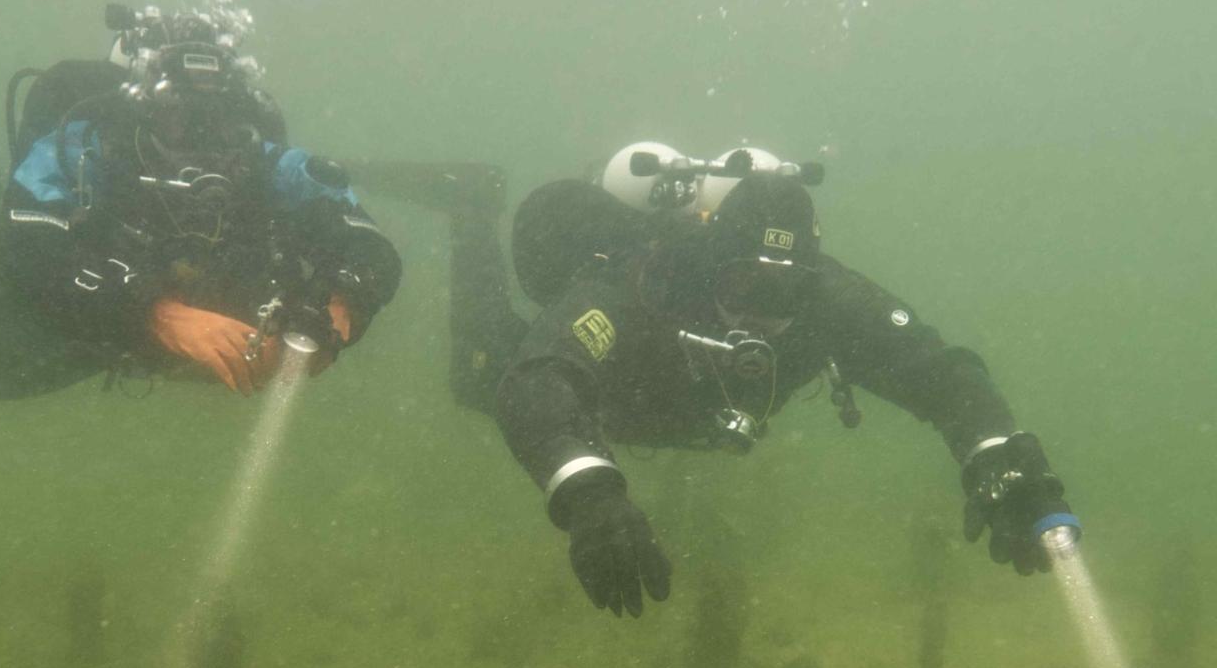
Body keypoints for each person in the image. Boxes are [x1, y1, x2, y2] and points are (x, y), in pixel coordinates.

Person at [357, 142, 1077, 617]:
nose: (766, 315)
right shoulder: (633, 285)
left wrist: (998, 455)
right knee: (483, 375)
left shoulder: (824, 299)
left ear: (809, 282)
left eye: (784, 295)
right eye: (745, 286)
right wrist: (586, 491)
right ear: (708, 268)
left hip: (674, 412)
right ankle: (472, 205)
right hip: (617, 395)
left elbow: (941, 374)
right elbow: (540, 381)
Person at [0, 6, 401, 406]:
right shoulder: (91, 148)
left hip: (204, 326)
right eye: (181, 117)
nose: (202, 138)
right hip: (92, 324)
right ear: (143, 110)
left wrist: (341, 307)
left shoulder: (267, 162)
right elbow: (27, 245)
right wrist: (155, 314)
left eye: (218, 119)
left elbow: (366, 241)